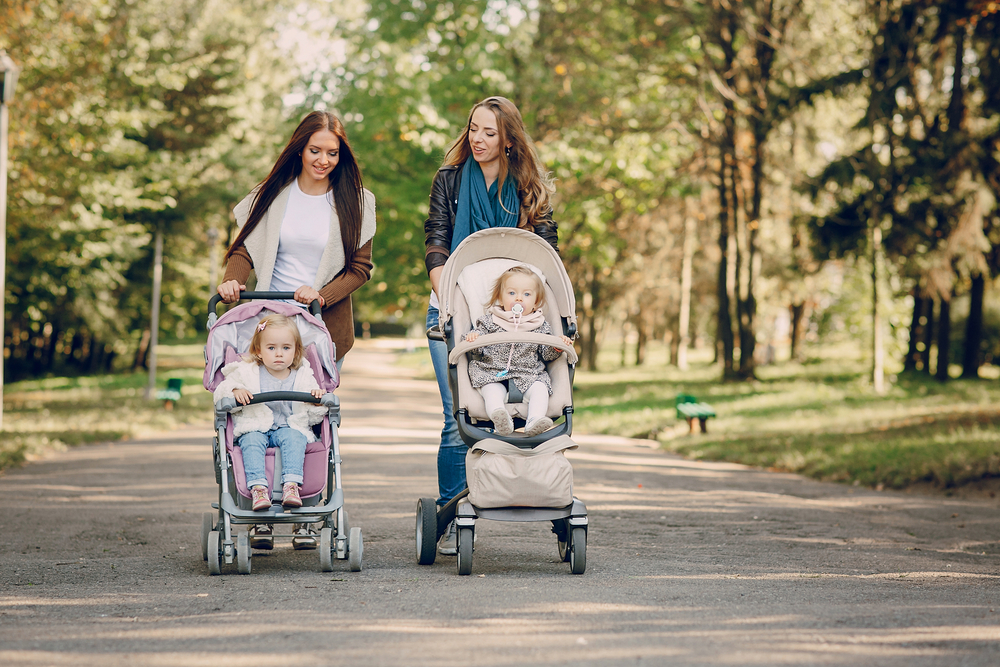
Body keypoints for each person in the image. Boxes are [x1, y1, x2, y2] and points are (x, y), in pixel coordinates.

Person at [218, 110, 376, 548]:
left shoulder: (358, 202)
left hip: (321, 327)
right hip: (269, 322)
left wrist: (322, 293)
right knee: (256, 415)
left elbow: (360, 269)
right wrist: (235, 279)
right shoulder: (271, 196)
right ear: (300, 149)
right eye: (315, 151)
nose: (323, 160)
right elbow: (245, 250)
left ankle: (309, 510)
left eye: (332, 153)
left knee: (311, 419)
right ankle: (260, 510)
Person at [423, 96, 558, 555]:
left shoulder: (527, 186)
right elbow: (437, 243)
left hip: (521, 317)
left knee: (531, 405)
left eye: (489, 133)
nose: (477, 140)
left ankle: (532, 495)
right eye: (473, 129)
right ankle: (451, 515)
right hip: (454, 311)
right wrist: (448, 303)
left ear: (508, 140)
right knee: (456, 418)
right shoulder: (450, 181)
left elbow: (546, 253)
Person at [212, 314, 327, 512]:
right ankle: (258, 488)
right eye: (271, 348)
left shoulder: (303, 375)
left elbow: (313, 417)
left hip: (288, 426)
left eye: (286, 348)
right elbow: (222, 391)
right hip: (255, 426)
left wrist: (316, 401)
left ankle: (291, 486)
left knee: (295, 437)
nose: (279, 354)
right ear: (259, 350)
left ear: (296, 351)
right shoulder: (246, 371)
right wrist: (235, 391)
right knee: (251, 441)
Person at [464, 266, 574, 436]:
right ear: (500, 298)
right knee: (491, 391)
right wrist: (474, 339)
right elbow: (477, 351)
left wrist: (556, 347)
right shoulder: (489, 321)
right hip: (493, 373)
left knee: (540, 389)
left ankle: (534, 420)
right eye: (512, 293)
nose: (519, 298)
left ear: (536, 302)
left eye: (527, 294)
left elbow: (546, 355)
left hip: (529, 375)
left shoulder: (540, 325)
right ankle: (500, 417)